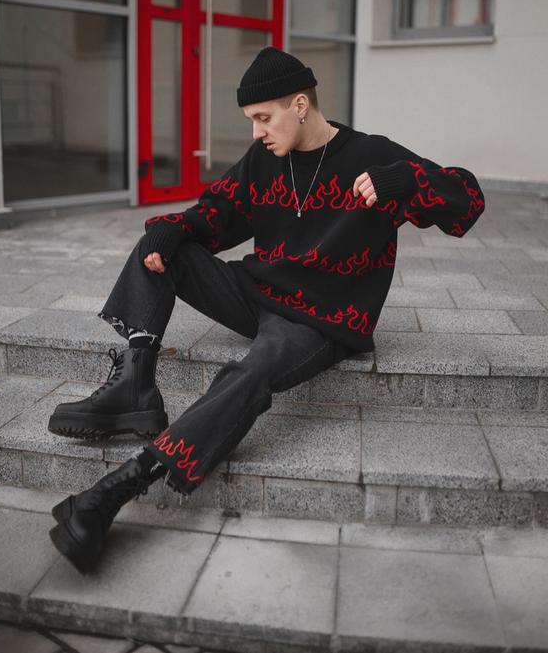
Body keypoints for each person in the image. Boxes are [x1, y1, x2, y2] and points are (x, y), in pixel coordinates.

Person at [47, 46, 486, 574]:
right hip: (257, 293)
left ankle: (115, 490)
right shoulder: (264, 161)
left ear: (300, 105)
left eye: (263, 118)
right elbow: (215, 214)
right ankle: (135, 385)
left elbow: (468, 200)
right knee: (161, 241)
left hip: (321, 318)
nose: (257, 133)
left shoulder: (371, 154)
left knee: (251, 371)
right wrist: (171, 231)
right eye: (252, 121)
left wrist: (406, 181)